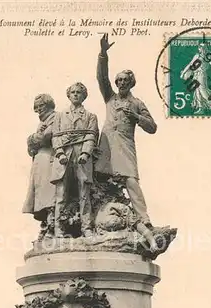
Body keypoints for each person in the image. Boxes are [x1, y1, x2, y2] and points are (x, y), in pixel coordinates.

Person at [96, 33, 158, 251]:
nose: (121, 83)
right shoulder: (110, 98)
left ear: (131, 82)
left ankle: (144, 219)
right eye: (118, 80)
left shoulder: (137, 103)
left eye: (125, 80)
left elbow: (152, 127)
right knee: (98, 180)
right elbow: (101, 79)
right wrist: (103, 54)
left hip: (124, 146)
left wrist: (136, 118)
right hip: (105, 146)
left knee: (131, 181)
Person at [51, 82, 99, 238]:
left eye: (79, 92)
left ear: (84, 95)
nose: (76, 94)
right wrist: (60, 154)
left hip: (81, 156)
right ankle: (58, 228)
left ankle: (87, 228)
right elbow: (55, 136)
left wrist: (85, 153)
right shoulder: (59, 116)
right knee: (61, 193)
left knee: (84, 193)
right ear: (69, 95)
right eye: (73, 92)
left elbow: (91, 135)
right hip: (64, 155)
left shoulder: (91, 117)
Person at [22, 94, 56, 240]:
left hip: (49, 159)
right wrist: (32, 140)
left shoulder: (55, 118)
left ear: (48, 105)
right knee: (41, 196)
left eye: (40, 106)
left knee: (49, 195)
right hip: (40, 161)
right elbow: (32, 148)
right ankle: (45, 226)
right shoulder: (42, 123)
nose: (37, 110)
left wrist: (31, 139)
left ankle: (51, 226)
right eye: (36, 107)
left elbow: (44, 138)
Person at [180, 43, 211, 115]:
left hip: (202, 75)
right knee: (197, 92)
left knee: (203, 91)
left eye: (202, 48)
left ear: (205, 48)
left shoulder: (207, 57)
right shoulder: (197, 56)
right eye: (200, 48)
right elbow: (190, 64)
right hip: (195, 75)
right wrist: (183, 73)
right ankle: (201, 108)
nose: (201, 49)